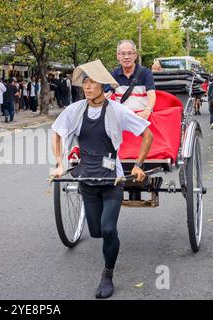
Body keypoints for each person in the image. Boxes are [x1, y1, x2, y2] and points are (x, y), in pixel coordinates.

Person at [50, 60, 153, 299]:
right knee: (95, 231)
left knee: (108, 229)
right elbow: (57, 132)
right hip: (87, 179)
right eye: (85, 82)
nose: (87, 86)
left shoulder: (117, 110)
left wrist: (138, 165)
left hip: (112, 180)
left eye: (92, 82)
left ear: (103, 86)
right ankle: (104, 246)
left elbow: (147, 134)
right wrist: (59, 163)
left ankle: (107, 274)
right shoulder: (75, 110)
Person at [111, 40, 156, 120]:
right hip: (121, 118)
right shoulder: (113, 74)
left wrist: (147, 111)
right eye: (122, 54)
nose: (126, 57)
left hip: (141, 118)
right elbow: (106, 95)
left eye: (130, 53)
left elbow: (151, 94)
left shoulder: (146, 73)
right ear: (117, 56)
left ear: (135, 55)